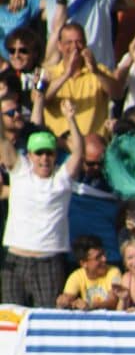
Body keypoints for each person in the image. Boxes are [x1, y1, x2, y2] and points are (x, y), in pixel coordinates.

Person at [1, 113, 83, 307]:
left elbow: (79, 152)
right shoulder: (20, 172)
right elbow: (2, 139)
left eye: (49, 153)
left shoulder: (62, 179)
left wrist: (71, 119)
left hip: (49, 261)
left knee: (47, 316)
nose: (44, 158)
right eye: (39, 153)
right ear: (29, 155)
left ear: (55, 155)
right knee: (11, 318)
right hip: (15, 258)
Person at [56, 235, 120, 310]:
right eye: (98, 257)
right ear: (84, 263)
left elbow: (113, 301)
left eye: (103, 254)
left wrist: (90, 306)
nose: (104, 259)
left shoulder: (114, 272)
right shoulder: (76, 276)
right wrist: (65, 302)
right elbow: (68, 297)